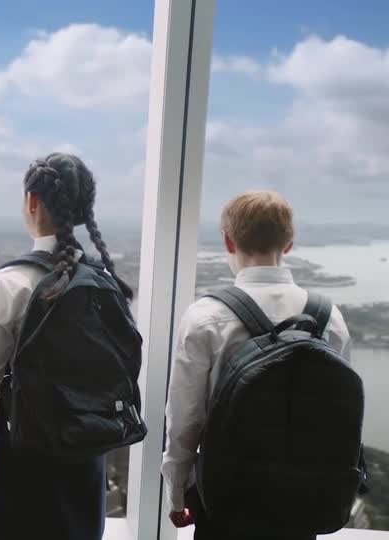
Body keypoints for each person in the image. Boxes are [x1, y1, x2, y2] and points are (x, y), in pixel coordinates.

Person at [162, 191, 352, 540]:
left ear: (227, 241)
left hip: (226, 496)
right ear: (289, 244)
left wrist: (177, 492)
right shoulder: (329, 319)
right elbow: (339, 417)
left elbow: (185, 419)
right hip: (303, 500)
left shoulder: (206, 317)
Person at [0, 153, 136, 540]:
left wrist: (4, 443)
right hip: (87, 462)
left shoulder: (12, 282)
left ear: (32, 201)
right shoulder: (103, 280)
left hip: (23, 463)